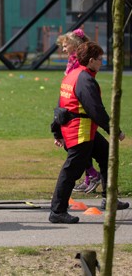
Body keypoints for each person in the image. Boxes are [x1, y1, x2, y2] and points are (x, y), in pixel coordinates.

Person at [49, 41, 129, 224]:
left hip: (77, 128)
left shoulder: (72, 75)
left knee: (106, 155)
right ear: (91, 60)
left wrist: (57, 131)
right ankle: (57, 211)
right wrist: (114, 130)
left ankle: (110, 199)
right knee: (71, 171)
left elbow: (60, 105)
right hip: (80, 131)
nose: (103, 62)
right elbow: (96, 110)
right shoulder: (85, 79)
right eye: (101, 59)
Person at [56, 29, 101, 194]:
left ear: (75, 45)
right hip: (73, 109)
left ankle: (94, 176)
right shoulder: (73, 60)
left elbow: (79, 86)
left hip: (79, 112)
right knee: (84, 148)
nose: (64, 49)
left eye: (66, 45)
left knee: (78, 147)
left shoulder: (79, 62)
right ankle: (90, 177)